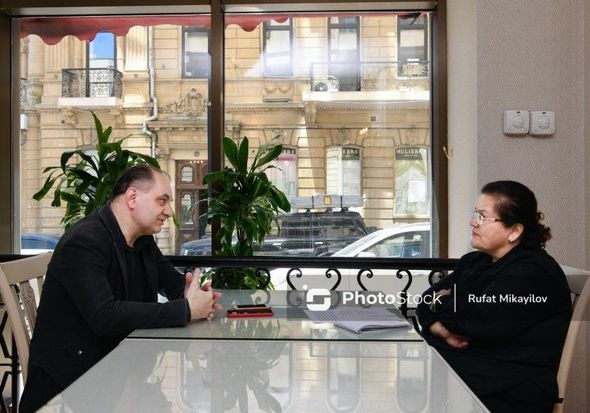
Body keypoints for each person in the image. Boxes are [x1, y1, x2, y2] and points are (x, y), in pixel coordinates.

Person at [19, 164, 221, 413]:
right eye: (162, 200)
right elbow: (105, 316)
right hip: (71, 386)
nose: (169, 211)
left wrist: (195, 294)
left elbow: (173, 284)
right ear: (132, 197)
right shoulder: (84, 240)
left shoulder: (142, 240)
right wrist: (187, 310)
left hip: (119, 368)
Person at [417, 180, 572, 413]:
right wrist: (441, 329)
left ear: (514, 231)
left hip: (508, 392)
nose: (472, 222)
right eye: (475, 214)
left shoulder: (534, 272)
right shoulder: (475, 261)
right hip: (470, 376)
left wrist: (443, 302)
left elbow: (474, 320)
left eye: (483, 216)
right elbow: (424, 303)